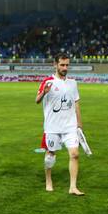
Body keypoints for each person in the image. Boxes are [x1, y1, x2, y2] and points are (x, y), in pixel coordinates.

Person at [35, 53, 84, 195]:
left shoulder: (72, 83)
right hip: (52, 126)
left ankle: (73, 187)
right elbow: (37, 101)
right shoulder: (48, 81)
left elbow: (76, 104)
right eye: (62, 65)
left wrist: (79, 125)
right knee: (50, 155)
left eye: (67, 65)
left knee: (75, 154)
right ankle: (48, 180)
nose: (65, 67)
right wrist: (44, 93)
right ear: (55, 65)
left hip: (70, 126)